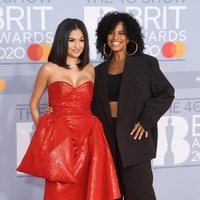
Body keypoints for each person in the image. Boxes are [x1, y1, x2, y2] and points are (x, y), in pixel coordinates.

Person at [17, 18, 121, 200]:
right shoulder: (48, 69)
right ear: (62, 40)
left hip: (89, 138)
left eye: (82, 40)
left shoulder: (91, 70)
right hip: (60, 141)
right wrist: (45, 131)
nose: (77, 45)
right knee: (58, 192)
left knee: (89, 190)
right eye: (71, 40)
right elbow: (34, 104)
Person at [91, 11, 175, 200]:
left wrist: (146, 120)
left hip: (134, 140)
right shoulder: (98, 71)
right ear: (105, 36)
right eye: (111, 32)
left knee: (140, 195)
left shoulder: (146, 64)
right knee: (108, 196)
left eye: (121, 33)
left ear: (130, 36)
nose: (116, 37)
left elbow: (166, 92)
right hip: (106, 142)